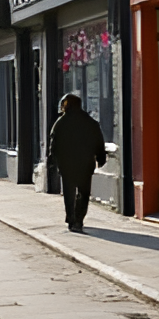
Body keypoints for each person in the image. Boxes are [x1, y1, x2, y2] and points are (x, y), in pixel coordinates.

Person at [48, 92, 107, 233]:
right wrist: (100, 158)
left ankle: (71, 217)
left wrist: (52, 161)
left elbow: (54, 144)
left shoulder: (61, 123)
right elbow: (98, 141)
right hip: (85, 164)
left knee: (69, 192)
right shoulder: (90, 122)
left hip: (67, 164)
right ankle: (79, 219)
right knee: (83, 192)